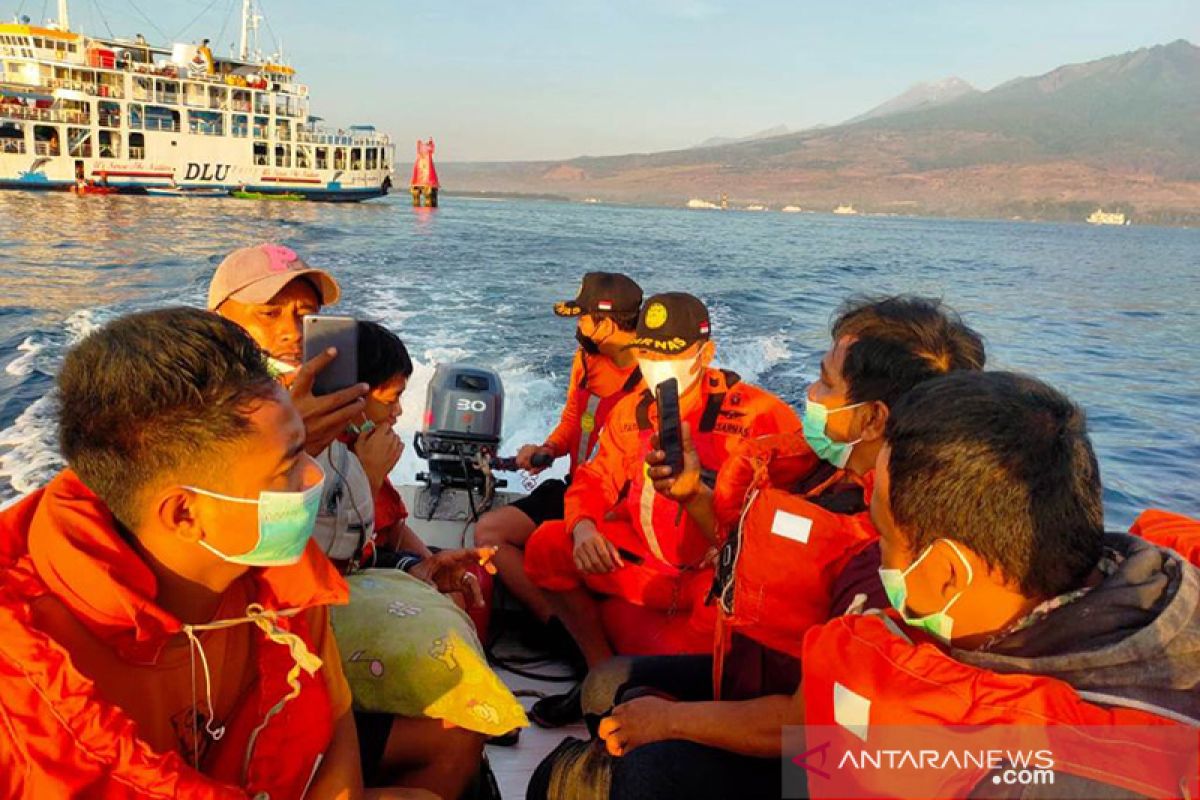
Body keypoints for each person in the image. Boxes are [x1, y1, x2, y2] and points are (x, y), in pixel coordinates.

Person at [600, 371, 1200, 799]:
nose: (874, 550)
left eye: (884, 536)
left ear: (946, 574)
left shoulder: (1042, 777)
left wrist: (678, 725)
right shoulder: (1113, 586)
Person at [532, 296, 987, 796]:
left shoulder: (890, 552)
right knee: (608, 688)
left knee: (643, 767)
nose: (810, 394)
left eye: (827, 383)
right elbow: (756, 553)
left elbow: (809, 723)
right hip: (753, 670)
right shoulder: (820, 473)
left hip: (814, 754)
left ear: (874, 419)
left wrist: (669, 721)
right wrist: (693, 496)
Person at [0, 308, 389, 797]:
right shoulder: (29, 686)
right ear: (184, 514)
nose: (313, 477)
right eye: (290, 463)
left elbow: (333, 734)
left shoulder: (280, 582)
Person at [210, 245, 488, 799]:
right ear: (221, 323)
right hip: (246, 659)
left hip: (302, 645)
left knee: (462, 729)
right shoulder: (208, 425)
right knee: (455, 738)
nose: (291, 330)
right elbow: (271, 565)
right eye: (269, 313)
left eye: (304, 315)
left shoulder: (329, 420)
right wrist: (306, 454)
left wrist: (418, 562)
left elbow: (355, 554)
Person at [523, 292, 801, 727]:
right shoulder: (631, 414)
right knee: (546, 544)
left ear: (705, 353)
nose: (656, 364)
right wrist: (582, 528)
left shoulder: (760, 415)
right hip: (645, 563)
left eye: (670, 354)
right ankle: (597, 675)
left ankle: (656, 694)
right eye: (648, 352)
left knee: (716, 638)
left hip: (710, 581)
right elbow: (593, 479)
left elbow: (795, 512)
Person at [474, 271, 644, 646]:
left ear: (606, 324)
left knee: (553, 548)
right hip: (575, 492)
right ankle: (558, 628)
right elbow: (574, 421)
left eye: (584, 317)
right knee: (489, 534)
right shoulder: (585, 360)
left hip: (619, 507)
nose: (579, 326)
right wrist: (548, 450)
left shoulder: (652, 379)